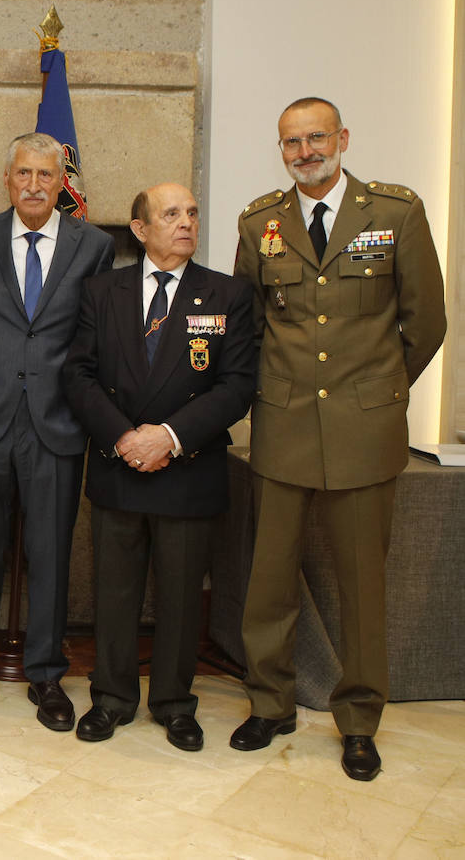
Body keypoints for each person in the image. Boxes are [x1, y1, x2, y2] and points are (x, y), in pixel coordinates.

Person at [230, 97, 446, 781]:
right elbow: (250, 324)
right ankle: (271, 702)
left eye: (316, 137)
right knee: (268, 581)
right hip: (284, 424)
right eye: (291, 142)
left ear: (343, 138)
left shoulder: (395, 213)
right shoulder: (259, 220)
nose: (304, 151)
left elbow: (427, 321)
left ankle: (358, 719)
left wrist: (376, 391)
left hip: (364, 432)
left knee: (361, 583)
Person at [61, 183, 256, 751]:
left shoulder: (226, 295)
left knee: (178, 597)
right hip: (120, 465)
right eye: (171, 214)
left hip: (188, 471)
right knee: (114, 594)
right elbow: (78, 374)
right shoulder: (103, 291)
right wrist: (125, 436)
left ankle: (174, 704)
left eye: (193, 212)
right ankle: (113, 699)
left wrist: (168, 437)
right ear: (140, 229)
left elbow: (238, 386)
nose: (186, 223)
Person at [0, 132, 114, 731]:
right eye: (23, 174)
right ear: (8, 179)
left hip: (57, 420)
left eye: (46, 175)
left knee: (50, 554)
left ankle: (45, 672)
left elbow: (95, 337)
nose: (34, 186)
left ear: (62, 180)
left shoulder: (93, 245)